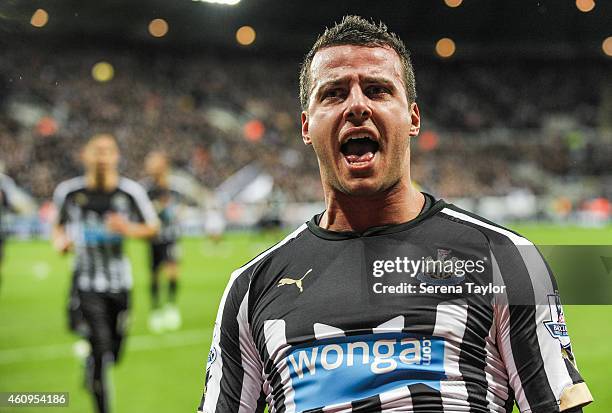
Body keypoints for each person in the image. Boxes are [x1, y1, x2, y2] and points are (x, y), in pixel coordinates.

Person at [197, 16, 593, 413]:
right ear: (306, 126)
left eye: (377, 90)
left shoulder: (505, 259)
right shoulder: (249, 289)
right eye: (333, 93)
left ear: (413, 119)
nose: (357, 106)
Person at [52, 134, 159, 413]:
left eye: (107, 151)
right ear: (85, 155)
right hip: (86, 283)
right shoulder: (70, 192)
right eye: (96, 151)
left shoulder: (130, 193)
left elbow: (153, 227)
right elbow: (58, 226)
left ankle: (94, 364)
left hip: (120, 284)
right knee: (99, 346)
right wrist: (60, 242)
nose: (102, 157)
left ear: (116, 156)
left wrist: (127, 229)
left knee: (114, 352)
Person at [141, 151, 183, 332]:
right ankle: (156, 309)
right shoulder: (145, 189)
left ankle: (171, 306)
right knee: (154, 274)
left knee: (173, 271)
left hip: (171, 236)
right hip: (154, 238)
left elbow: (180, 209)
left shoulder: (174, 186)